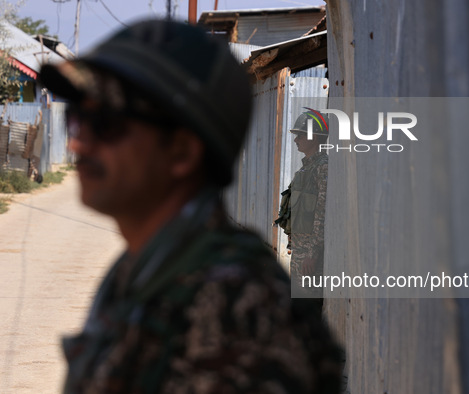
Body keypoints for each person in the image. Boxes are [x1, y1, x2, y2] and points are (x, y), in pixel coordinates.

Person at [40, 20, 341, 394]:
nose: (78, 144)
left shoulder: (237, 311)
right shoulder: (145, 267)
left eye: (105, 123)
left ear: (182, 151)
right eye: (77, 119)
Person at [285, 112, 329, 304]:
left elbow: (322, 213)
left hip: (309, 258)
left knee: (309, 305)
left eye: (301, 135)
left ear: (315, 137)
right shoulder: (304, 169)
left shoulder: (323, 167)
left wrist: (312, 254)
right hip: (299, 252)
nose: (296, 139)